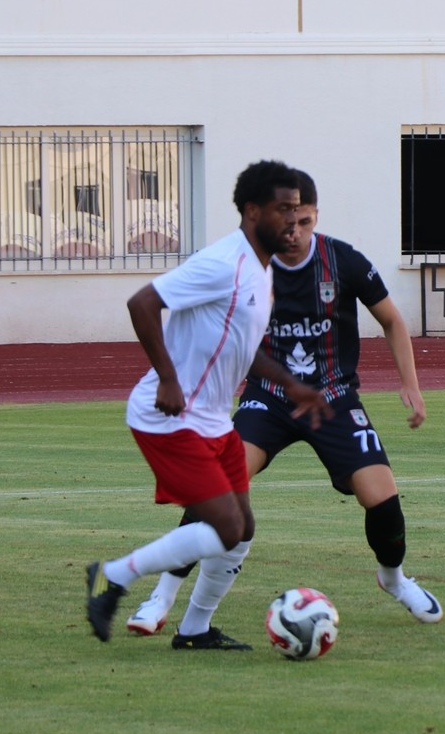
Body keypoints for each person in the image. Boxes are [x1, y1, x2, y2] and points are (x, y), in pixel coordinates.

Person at [124, 170, 441, 635]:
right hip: (269, 399)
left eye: (305, 221)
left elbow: (392, 320)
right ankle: (161, 596)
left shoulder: (343, 261)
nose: (295, 232)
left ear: (315, 217)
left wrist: (410, 384)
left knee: (383, 499)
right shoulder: (247, 265)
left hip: (332, 397)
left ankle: (393, 579)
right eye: (289, 220)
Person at [86, 160, 332, 650]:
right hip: (169, 417)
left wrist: (291, 385)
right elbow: (142, 303)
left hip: (213, 419)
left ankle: (195, 630)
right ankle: (110, 576)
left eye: (300, 211)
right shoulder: (223, 262)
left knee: (242, 530)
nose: (292, 221)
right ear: (251, 210)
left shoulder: (262, 273)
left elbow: (245, 348)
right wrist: (169, 379)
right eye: (283, 210)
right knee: (223, 527)